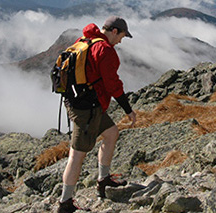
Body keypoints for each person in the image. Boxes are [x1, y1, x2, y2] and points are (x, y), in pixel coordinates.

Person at [57, 16, 137, 213]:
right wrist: (128, 110)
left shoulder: (84, 40)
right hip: (87, 109)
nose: (120, 41)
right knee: (76, 155)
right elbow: (113, 85)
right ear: (115, 31)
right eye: (122, 37)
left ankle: (104, 180)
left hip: (82, 102)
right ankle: (65, 203)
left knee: (111, 133)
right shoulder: (106, 51)